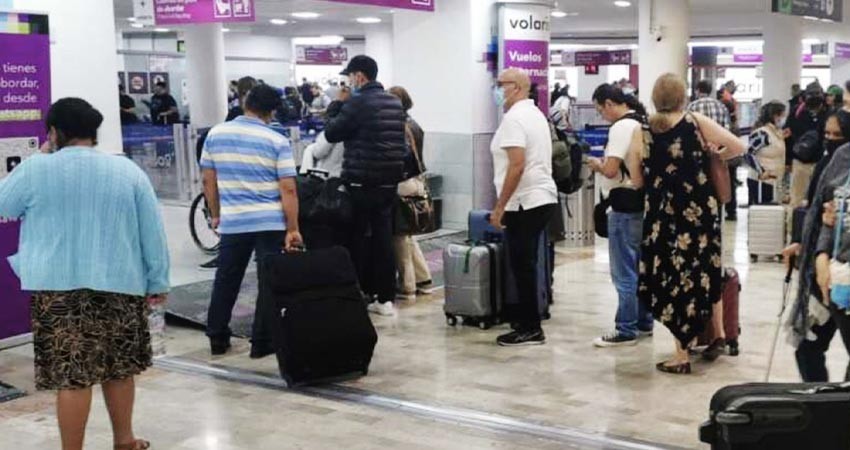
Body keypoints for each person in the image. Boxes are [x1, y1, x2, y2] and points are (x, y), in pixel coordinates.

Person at [0, 98, 169, 450]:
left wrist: (42, 154)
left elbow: (4, 205)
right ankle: (124, 441)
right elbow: (151, 232)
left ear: (55, 132)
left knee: (72, 378)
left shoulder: (36, 169)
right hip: (121, 284)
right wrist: (157, 280)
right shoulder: (127, 171)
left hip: (58, 290)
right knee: (120, 369)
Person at [639, 74, 746, 374]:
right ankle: (718, 335)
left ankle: (681, 354)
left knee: (672, 277)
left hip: (663, 214)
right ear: (682, 96)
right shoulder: (694, 121)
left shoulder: (644, 129)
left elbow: (639, 177)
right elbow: (738, 146)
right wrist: (716, 153)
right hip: (700, 211)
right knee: (702, 271)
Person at [200, 84, 303, 357]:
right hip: (270, 221)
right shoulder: (276, 140)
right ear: (270, 112)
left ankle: (217, 337)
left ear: (246, 102)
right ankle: (261, 342)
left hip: (234, 221)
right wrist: (292, 228)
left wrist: (216, 213)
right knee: (267, 281)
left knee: (226, 278)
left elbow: (208, 180)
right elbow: (288, 188)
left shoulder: (215, 134)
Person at [324, 55, 408, 317]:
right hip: (388, 182)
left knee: (356, 237)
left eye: (350, 76)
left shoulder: (356, 102)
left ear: (359, 76)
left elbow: (332, 133)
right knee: (383, 238)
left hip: (361, 181)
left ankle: (357, 292)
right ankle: (385, 298)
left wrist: (337, 104)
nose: (348, 81)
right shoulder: (395, 102)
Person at [488, 68, 559, 346]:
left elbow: (517, 165)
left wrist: (499, 206)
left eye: (500, 84)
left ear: (516, 87)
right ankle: (526, 320)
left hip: (525, 201)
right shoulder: (534, 114)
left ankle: (530, 328)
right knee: (524, 263)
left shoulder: (515, 118)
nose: (496, 89)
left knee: (523, 265)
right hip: (539, 197)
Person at [588, 84, 653, 347]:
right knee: (639, 266)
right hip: (642, 205)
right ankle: (643, 321)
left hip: (622, 206)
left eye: (600, 110)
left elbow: (612, 170)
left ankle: (625, 329)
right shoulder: (643, 122)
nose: (601, 116)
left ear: (609, 104)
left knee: (623, 271)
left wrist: (596, 164)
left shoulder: (620, 128)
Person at [789, 110, 850, 382]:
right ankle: (826, 413)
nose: (831, 140)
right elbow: (828, 212)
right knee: (807, 348)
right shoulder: (841, 157)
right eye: (828, 134)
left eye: (837, 134)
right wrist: (819, 253)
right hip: (830, 275)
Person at [388, 85, 434, 302]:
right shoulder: (414, 123)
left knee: (399, 237)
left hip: (402, 182)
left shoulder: (397, 126)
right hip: (417, 181)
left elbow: (403, 156)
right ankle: (423, 279)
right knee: (408, 235)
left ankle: (407, 286)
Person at [787, 82, 828, 213]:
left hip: (820, 161)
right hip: (800, 161)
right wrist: (788, 161)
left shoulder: (829, 113)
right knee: (796, 200)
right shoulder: (797, 113)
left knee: (819, 199)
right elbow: (788, 136)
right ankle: (794, 230)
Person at [746, 101, 787, 205]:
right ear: (774, 116)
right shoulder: (762, 133)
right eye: (781, 115)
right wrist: (761, 171)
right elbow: (748, 153)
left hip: (774, 182)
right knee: (762, 215)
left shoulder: (777, 133)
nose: (783, 118)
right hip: (761, 182)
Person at [303, 101, 345, 178]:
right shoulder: (354, 130)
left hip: (328, 176)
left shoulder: (330, 131)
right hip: (345, 175)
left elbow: (318, 153)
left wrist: (312, 147)